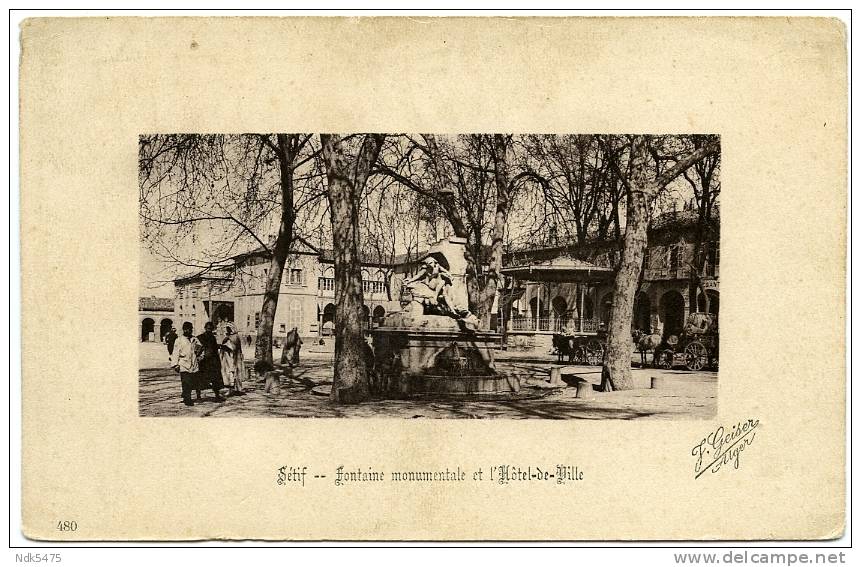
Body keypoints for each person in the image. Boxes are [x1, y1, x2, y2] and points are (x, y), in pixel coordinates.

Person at [402, 253, 479, 331]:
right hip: (429, 284)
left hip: (438, 285)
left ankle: (453, 311)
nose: (430, 265)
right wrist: (410, 280)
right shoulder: (425, 269)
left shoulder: (437, 266)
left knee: (445, 293)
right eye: (428, 263)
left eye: (431, 263)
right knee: (441, 284)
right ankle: (437, 298)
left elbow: (445, 271)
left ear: (434, 262)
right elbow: (418, 276)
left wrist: (450, 276)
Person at [171, 322, 202, 407]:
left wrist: (199, 356)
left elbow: (200, 349)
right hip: (183, 364)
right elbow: (175, 352)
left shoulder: (194, 339)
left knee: (192, 382)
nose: (189, 330)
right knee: (186, 382)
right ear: (184, 330)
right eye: (187, 329)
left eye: (190, 329)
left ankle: (186, 395)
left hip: (194, 364)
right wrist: (175, 364)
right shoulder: (179, 340)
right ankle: (187, 399)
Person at [197, 321, 226, 402]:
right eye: (208, 328)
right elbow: (198, 348)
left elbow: (214, 347)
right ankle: (198, 396)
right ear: (205, 328)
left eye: (211, 329)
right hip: (204, 361)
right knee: (200, 378)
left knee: (215, 378)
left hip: (213, 361)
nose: (209, 330)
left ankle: (217, 395)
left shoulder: (212, 337)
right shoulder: (200, 337)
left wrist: (220, 346)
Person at [219, 326, 246, 394]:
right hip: (227, 357)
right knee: (228, 372)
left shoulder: (235, 337)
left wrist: (226, 347)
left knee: (233, 372)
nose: (227, 331)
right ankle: (230, 389)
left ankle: (236, 388)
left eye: (229, 329)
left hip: (233, 357)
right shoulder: (226, 338)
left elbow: (234, 348)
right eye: (227, 329)